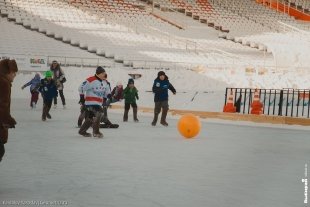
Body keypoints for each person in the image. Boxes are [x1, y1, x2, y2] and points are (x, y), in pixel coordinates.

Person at [78, 66, 110, 138]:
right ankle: (96, 132)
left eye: (105, 73)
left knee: (91, 117)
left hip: (97, 103)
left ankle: (82, 131)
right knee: (99, 112)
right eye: (103, 73)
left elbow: (106, 91)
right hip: (90, 103)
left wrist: (108, 95)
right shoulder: (91, 80)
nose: (104, 75)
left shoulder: (103, 82)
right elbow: (81, 87)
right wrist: (82, 97)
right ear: (98, 74)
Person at [0, 59, 18, 162]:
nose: (15, 75)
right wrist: (7, 120)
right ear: (7, 71)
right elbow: (2, 106)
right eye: (13, 72)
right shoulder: (4, 83)